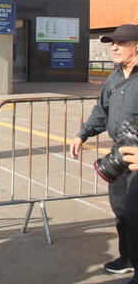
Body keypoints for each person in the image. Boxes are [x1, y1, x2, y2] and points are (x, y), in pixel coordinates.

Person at [71, 24, 138, 281]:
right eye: (112, 43)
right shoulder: (115, 76)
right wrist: (82, 133)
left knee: (136, 213)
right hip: (119, 157)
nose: (114, 47)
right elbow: (102, 110)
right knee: (121, 210)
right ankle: (128, 257)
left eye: (122, 42)